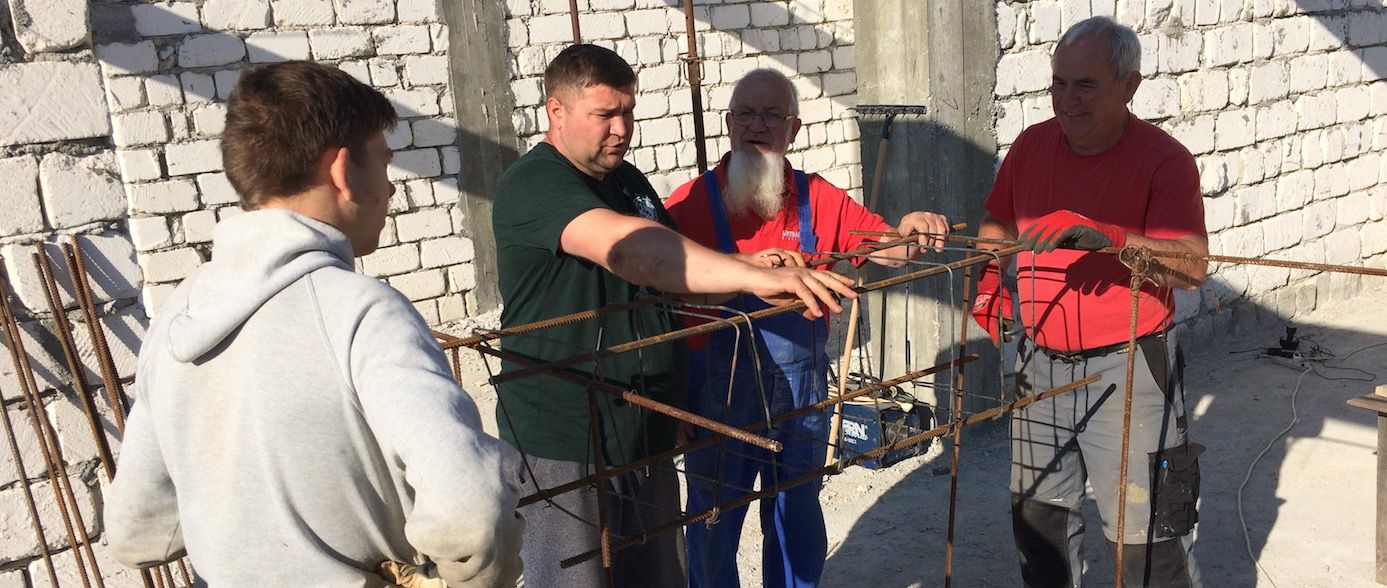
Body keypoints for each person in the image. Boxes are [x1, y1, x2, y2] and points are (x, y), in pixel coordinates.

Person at [104, 61, 524, 587]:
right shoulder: (362, 313)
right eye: (384, 163)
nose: (391, 189)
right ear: (343, 171)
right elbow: (470, 512)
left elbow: (137, 532)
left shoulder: (177, 313)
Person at [491, 45, 858, 587]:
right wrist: (749, 277)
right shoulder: (537, 182)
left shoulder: (628, 182)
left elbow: (672, 280)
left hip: (643, 427)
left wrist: (748, 265)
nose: (621, 129)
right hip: (568, 440)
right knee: (579, 578)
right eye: (604, 114)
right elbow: (632, 251)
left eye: (628, 112)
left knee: (662, 576)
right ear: (557, 111)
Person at [664, 68, 951, 588]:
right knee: (713, 519)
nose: (758, 125)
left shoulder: (817, 197)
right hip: (716, 393)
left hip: (801, 388)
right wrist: (672, 397)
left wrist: (909, 233)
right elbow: (658, 299)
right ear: (729, 123)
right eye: (747, 114)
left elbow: (886, 247)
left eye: (772, 115)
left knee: (796, 512)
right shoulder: (688, 205)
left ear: (793, 129)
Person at [973, 17, 1208, 588]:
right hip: (1039, 362)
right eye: (1058, 83)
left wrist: (1113, 239)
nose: (1067, 99)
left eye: (1085, 85)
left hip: (1128, 367)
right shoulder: (1032, 146)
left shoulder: (1164, 160)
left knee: (1146, 540)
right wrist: (990, 285)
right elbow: (998, 226)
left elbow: (1192, 267)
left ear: (1129, 86)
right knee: (1039, 526)